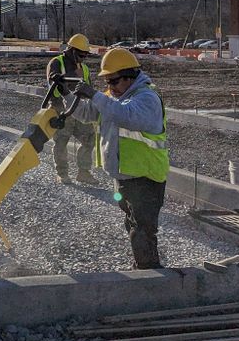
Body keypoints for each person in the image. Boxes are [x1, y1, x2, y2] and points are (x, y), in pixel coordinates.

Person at [71, 47, 168, 269]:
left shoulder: (147, 98)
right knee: (133, 223)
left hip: (146, 176)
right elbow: (88, 114)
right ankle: (143, 264)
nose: (109, 88)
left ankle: (149, 273)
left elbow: (125, 115)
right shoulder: (112, 97)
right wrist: (66, 95)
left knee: (143, 228)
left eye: (113, 82)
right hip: (124, 174)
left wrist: (94, 95)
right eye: (106, 83)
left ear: (129, 77)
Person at [45, 33, 99, 185]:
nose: (83, 58)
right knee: (61, 141)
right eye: (81, 55)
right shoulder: (57, 62)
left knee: (89, 139)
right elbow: (54, 84)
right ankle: (62, 173)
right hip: (61, 109)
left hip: (79, 108)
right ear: (72, 50)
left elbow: (88, 88)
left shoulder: (84, 68)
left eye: (85, 55)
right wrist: (70, 76)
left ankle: (84, 172)